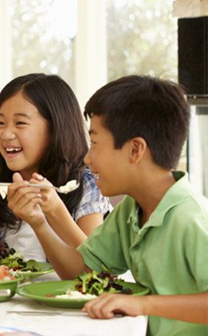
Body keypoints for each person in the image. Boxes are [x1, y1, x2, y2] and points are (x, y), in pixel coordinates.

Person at [18, 75, 208, 335]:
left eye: (95, 143)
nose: (87, 157)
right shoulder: (131, 210)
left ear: (135, 150)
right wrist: (39, 223)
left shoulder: (192, 218)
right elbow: (83, 272)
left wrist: (141, 304)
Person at [0, 74, 111, 262]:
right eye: (1, 123)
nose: (6, 134)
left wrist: (54, 212)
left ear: (56, 128)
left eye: (20, 123)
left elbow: (95, 264)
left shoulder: (85, 185)